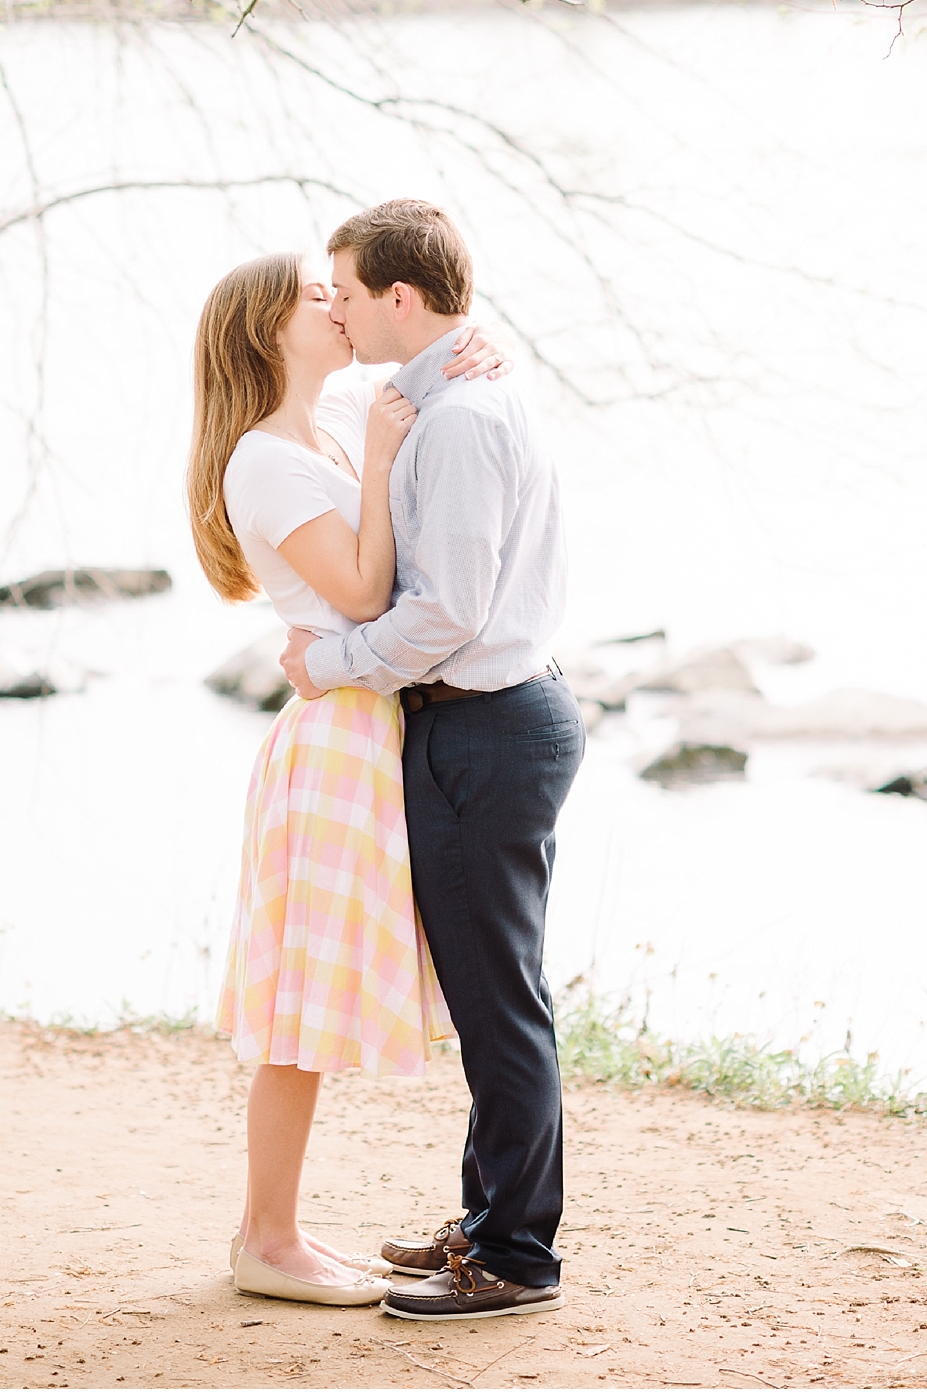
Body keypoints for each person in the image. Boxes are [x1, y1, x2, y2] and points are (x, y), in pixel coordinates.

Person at [275, 198, 587, 1324]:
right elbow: (359, 395)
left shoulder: (459, 419)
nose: (341, 314)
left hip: (486, 723)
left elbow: (446, 610)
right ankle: (487, 1222)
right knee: (493, 993)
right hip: (491, 721)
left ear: (400, 297)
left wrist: (335, 662)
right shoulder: (452, 388)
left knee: (501, 1002)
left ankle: (515, 1259)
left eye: (349, 294)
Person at [187, 251, 510, 1306]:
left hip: (365, 730)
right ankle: (265, 1241)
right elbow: (368, 594)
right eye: (316, 299)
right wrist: (376, 458)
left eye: (341, 293)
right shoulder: (269, 460)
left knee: (313, 999)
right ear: (267, 331)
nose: (337, 307)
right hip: (336, 740)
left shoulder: (319, 433)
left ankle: (273, 1232)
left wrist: (475, 360)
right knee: (298, 1006)